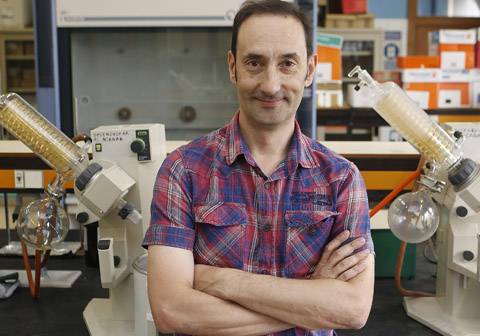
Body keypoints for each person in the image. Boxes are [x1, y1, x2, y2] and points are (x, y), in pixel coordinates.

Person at [143, 1, 375, 335]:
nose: (270, 84)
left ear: (310, 70)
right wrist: (312, 300)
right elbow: (172, 312)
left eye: (287, 64)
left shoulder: (341, 178)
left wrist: (222, 281)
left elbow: (352, 309)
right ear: (232, 67)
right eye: (255, 63)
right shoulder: (183, 171)